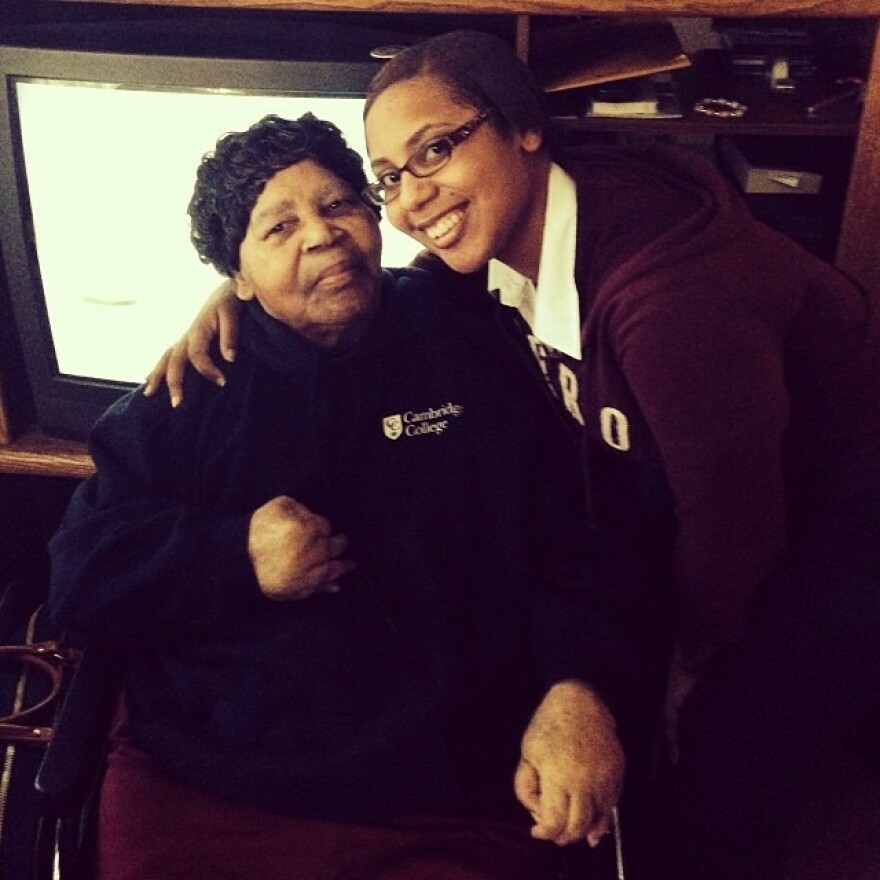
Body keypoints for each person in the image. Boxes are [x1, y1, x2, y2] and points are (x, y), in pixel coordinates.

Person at [146, 29, 880, 880]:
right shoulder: (513, 230)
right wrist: (242, 290)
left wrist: (683, 670)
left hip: (836, 517)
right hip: (701, 488)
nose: (411, 198)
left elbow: (738, 528)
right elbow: (408, 284)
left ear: (523, 127)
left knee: (714, 763)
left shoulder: (669, 303)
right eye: (388, 178)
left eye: (436, 151)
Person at [48, 112, 638, 880]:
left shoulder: (480, 349)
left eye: (338, 205)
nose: (322, 235)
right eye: (278, 226)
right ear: (238, 278)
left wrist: (580, 688)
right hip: (227, 785)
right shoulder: (187, 402)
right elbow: (79, 579)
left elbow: (584, 544)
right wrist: (231, 555)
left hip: (458, 784)